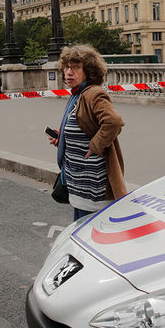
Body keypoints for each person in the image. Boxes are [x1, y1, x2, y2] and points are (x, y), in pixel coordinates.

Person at [49, 44, 126, 221]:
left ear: (88, 72)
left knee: (91, 231)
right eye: (67, 67)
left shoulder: (93, 93)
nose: (68, 72)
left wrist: (95, 145)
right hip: (79, 179)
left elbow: (113, 122)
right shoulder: (78, 94)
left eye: (75, 68)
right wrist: (62, 138)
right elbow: (81, 125)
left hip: (92, 183)